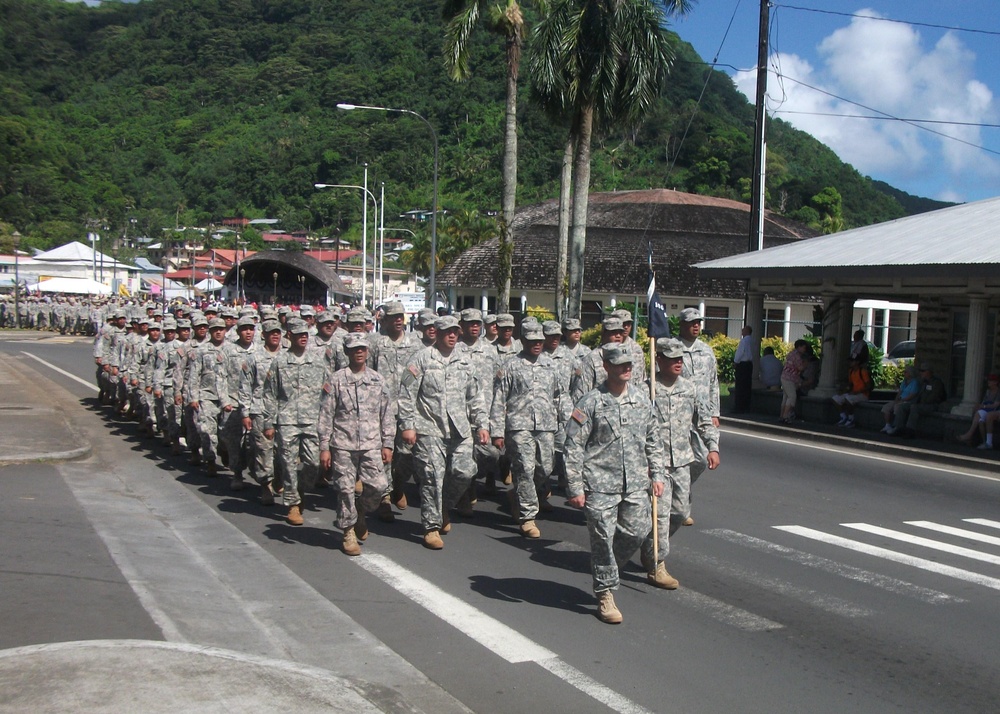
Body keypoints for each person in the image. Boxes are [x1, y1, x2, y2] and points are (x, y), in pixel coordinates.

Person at [564, 343, 666, 624]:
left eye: (630, 364)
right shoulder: (589, 403)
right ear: (606, 367)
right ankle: (606, 592)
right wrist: (574, 487)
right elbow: (573, 445)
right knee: (601, 540)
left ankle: (609, 569)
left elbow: (653, 440)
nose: (627, 368)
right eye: (620, 364)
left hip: (634, 482)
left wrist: (657, 474)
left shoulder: (642, 400)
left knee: (637, 531)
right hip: (599, 483)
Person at [397, 315, 490, 550]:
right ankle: (431, 526)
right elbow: (406, 393)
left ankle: (443, 507)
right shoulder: (420, 359)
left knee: (465, 472)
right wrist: (408, 425)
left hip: (460, 428)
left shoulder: (465, 360)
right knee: (431, 477)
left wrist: (482, 425)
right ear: (435, 333)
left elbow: (475, 396)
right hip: (429, 427)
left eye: (455, 332)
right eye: (447, 331)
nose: (452, 335)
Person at [641, 338, 719, 590]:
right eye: (672, 359)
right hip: (656, 463)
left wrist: (712, 447)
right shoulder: (647, 390)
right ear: (658, 360)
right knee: (661, 515)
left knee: (680, 513)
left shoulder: (689, 388)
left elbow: (704, 420)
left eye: (680, 358)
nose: (678, 363)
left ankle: (649, 543)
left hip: (682, 460)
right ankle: (657, 564)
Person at [318, 333, 395, 556]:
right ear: (347, 352)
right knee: (344, 489)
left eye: (362, 348)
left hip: (371, 444)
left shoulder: (377, 380)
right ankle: (348, 530)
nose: (359, 352)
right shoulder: (336, 380)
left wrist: (388, 443)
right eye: (354, 349)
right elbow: (326, 414)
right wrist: (324, 447)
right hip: (342, 444)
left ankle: (360, 511)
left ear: (367, 352)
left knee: (379, 487)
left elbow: (386, 415)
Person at [490, 322, 567, 539]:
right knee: (524, 467)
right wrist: (497, 431)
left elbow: (560, 396)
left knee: (545, 468)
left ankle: (519, 494)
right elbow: (498, 400)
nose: (536, 345)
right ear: (522, 341)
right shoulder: (510, 366)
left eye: (539, 341)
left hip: (546, 425)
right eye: (532, 341)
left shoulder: (551, 365)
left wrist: (570, 423)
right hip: (519, 425)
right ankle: (528, 516)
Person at [262, 318, 331, 525]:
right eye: (298, 335)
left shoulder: (318, 362)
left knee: (313, 464)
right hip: (287, 421)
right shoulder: (279, 362)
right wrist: (269, 423)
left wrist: (328, 421)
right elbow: (270, 393)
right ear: (289, 336)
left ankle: (299, 489)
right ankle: (292, 504)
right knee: (289, 464)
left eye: (305, 335)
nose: (303, 338)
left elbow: (327, 393)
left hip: (312, 420)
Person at [676, 307, 720, 524]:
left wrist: (715, 412)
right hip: (678, 413)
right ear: (681, 324)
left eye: (698, 322)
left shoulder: (706, 351)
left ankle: (680, 490)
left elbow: (714, 383)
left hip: (701, 414)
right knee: (680, 460)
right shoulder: (672, 350)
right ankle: (681, 507)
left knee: (700, 459)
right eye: (691, 322)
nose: (696, 326)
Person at [887, 362, 946, 437]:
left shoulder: (936, 383)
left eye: (923, 371)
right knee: (902, 407)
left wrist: (921, 402)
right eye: (920, 371)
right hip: (920, 403)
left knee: (914, 408)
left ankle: (910, 430)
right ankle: (898, 427)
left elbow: (934, 397)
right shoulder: (922, 382)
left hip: (931, 405)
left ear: (928, 372)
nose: (921, 373)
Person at [957, 373, 1000, 449]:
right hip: (987, 409)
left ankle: (987, 442)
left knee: (987, 416)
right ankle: (978, 438)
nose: (988, 382)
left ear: (996, 382)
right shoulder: (988, 391)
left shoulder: (998, 392)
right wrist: (980, 406)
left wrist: (983, 406)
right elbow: (984, 402)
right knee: (979, 415)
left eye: (991, 380)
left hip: (994, 410)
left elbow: (995, 405)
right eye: (988, 380)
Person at [832, 354, 873, 428]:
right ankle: (843, 417)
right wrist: (844, 391)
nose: (850, 363)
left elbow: (868, 386)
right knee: (835, 398)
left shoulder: (863, 371)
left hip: (863, 394)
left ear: (857, 362)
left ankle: (851, 418)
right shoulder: (851, 371)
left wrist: (858, 392)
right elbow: (850, 384)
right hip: (853, 393)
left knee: (848, 399)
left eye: (852, 361)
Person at [880, 364, 919, 434]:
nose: (904, 373)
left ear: (910, 373)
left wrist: (902, 400)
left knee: (897, 407)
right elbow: (900, 392)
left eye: (906, 372)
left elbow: (912, 395)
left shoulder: (914, 383)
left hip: (908, 401)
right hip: (900, 400)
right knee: (887, 407)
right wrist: (896, 400)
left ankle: (896, 427)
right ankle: (887, 425)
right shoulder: (904, 382)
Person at [780, 339, 809, 423]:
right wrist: (805, 363)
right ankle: (786, 415)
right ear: (799, 347)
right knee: (792, 396)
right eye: (803, 347)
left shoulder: (791, 354)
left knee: (785, 397)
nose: (804, 350)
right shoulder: (797, 356)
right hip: (790, 378)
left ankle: (782, 415)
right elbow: (800, 368)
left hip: (784, 376)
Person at [732, 325, 753, 412]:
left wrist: (736, 361)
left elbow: (740, 352)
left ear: (747, 331)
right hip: (749, 364)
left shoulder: (744, 341)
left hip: (743, 364)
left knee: (740, 386)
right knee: (747, 386)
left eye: (743, 330)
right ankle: (746, 406)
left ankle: (739, 407)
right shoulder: (753, 340)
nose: (742, 331)